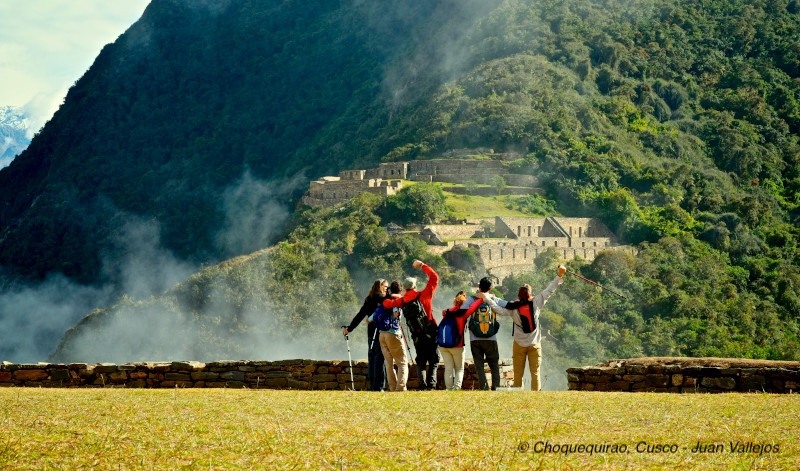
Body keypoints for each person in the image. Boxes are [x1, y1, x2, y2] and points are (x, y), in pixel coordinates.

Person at [479, 264, 566, 391]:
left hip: (519, 344)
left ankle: (518, 395)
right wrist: (559, 275)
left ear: (518, 295)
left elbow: (500, 308)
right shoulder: (536, 302)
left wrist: (487, 298)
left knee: (518, 374)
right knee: (535, 374)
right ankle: (536, 397)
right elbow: (549, 290)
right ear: (530, 293)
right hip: (535, 344)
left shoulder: (513, 306)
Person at [383, 259, 440, 390]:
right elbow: (434, 277)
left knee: (420, 360)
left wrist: (391, 295)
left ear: (405, 288)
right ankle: (431, 385)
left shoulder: (402, 301)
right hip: (430, 330)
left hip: (417, 334)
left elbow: (387, 304)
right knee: (433, 359)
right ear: (414, 286)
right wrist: (422, 265)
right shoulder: (424, 295)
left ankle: (422, 384)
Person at [342, 279, 387, 391]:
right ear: (380, 286)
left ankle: (372, 385)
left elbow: (360, 315)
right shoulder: (381, 298)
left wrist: (350, 328)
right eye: (386, 286)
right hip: (380, 332)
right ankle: (379, 386)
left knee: (372, 358)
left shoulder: (369, 298)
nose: (387, 289)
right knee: (379, 359)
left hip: (371, 332)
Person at [465, 276, 503, 390]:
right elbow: (506, 305)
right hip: (491, 339)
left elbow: (462, 310)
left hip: (475, 339)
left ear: (479, 286)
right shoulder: (493, 299)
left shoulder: (472, 299)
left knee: (479, 366)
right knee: (494, 366)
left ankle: (484, 388)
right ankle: (496, 388)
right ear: (490, 288)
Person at [438, 291, 481, 390]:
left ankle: (448, 388)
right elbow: (474, 306)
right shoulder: (463, 313)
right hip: (457, 345)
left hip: (443, 346)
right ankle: (456, 388)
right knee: (459, 369)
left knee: (448, 368)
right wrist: (482, 297)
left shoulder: (447, 311)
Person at [376, 281, 409, 392]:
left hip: (382, 334)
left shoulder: (384, 299)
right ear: (400, 290)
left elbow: (371, 318)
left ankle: (392, 386)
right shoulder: (396, 300)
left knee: (388, 363)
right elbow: (396, 312)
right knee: (402, 362)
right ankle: (400, 388)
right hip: (393, 333)